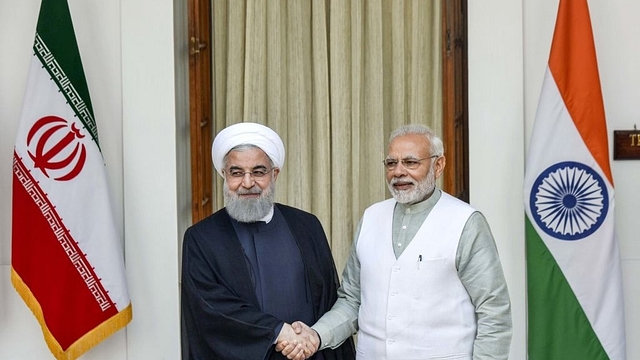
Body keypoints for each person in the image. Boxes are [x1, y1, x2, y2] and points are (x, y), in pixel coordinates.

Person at [278, 124, 512, 360]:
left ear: (438, 166)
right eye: (391, 163)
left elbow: (494, 311)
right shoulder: (371, 217)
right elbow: (352, 300)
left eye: (411, 162)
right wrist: (316, 336)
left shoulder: (465, 222)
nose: (398, 172)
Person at [181, 122, 356, 360]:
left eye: (258, 171)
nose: (247, 182)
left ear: (275, 174)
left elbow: (327, 300)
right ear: (224, 175)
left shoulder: (307, 226)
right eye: (236, 172)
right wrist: (278, 332)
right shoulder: (201, 238)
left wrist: (309, 339)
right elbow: (210, 309)